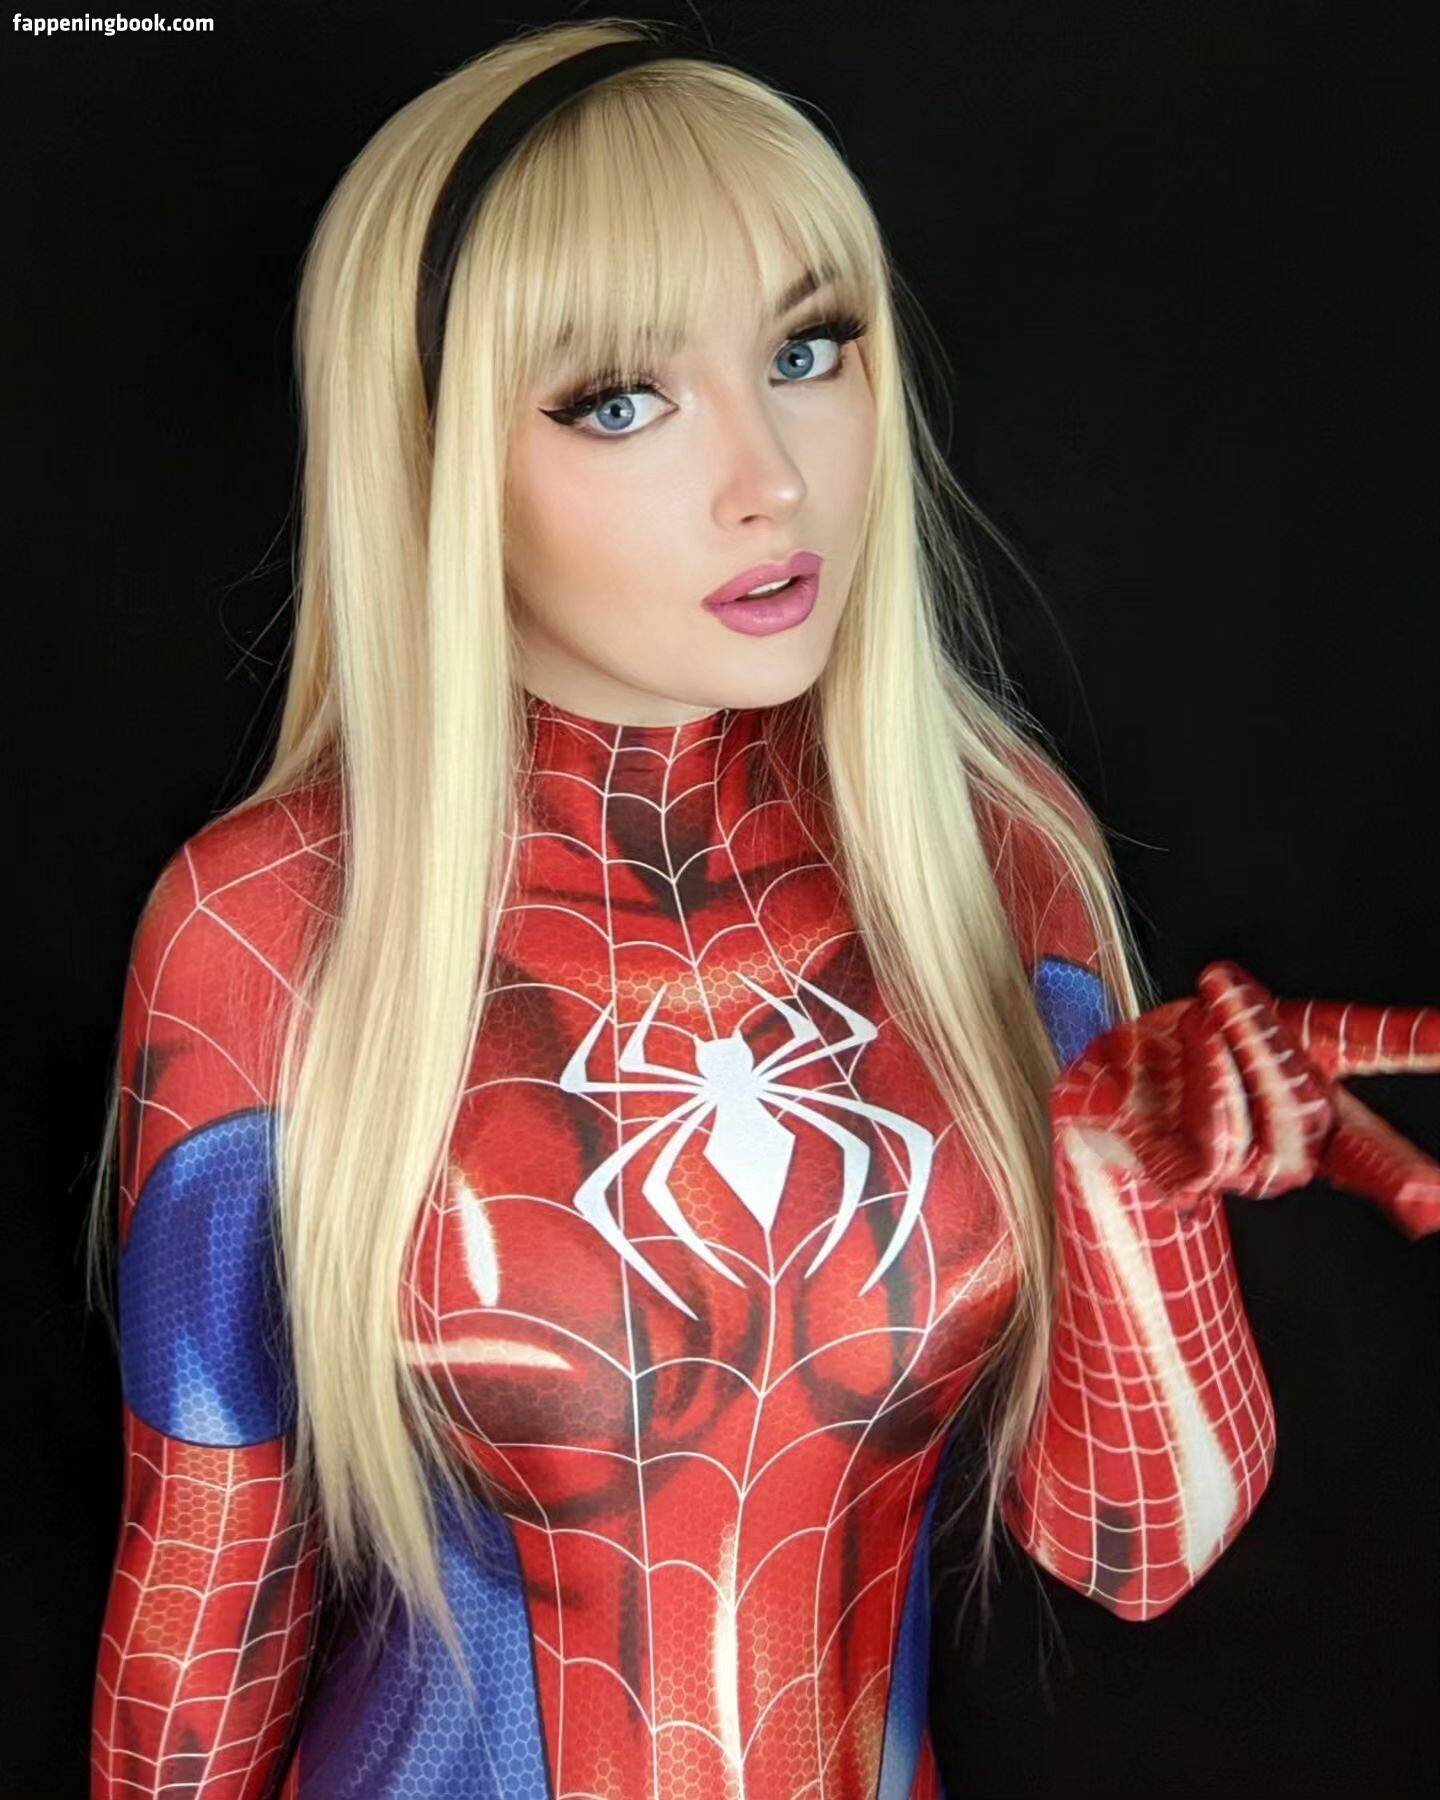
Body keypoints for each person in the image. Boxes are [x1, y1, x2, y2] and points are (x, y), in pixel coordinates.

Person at [84, 16, 1440, 1797]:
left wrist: (1136, 1208)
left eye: (807, 350)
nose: (773, 479)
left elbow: (1137, 1557)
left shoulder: (985, 852)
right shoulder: (268, 924)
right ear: (429, 458)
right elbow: (202, 1627)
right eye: (620, 400)